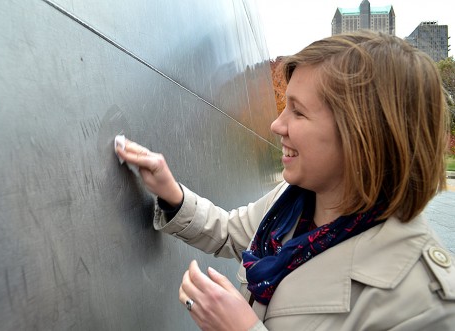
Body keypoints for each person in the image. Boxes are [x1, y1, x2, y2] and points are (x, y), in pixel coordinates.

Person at [115, 31, 455, 330]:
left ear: (363, 135)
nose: (277, 125)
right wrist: (170, 192)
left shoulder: (424, 303)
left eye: (298, 111)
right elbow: (230, 233)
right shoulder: (293, 201)